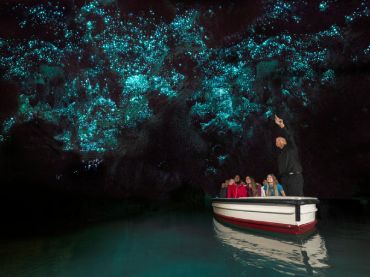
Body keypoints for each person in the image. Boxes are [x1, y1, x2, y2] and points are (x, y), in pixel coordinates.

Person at [274, 115, 304, 196]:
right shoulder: (280, 153)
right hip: (285, 178)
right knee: (287, 199)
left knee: (296, 198)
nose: (276, 142)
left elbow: (289, 136)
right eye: (276, 141)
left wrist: (281, 125)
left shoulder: (291, 147)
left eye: (278, 139)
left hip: (294, 177)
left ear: (284, 141)